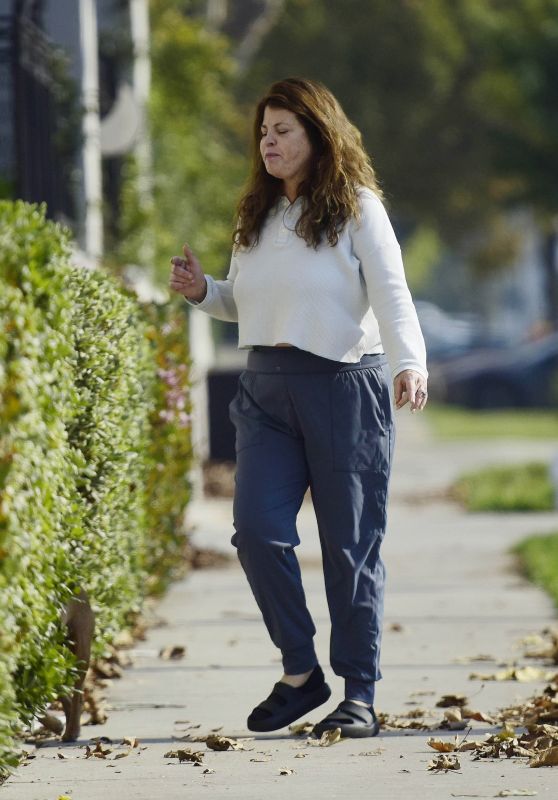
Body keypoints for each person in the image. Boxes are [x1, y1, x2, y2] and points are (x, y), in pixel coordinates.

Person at [169, 77, 428, 738]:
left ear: (318, 134)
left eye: (283, 130)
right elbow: (251, 303)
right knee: (257, 532)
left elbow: (392, 292)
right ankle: (300, 673)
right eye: (264, 131)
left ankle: (359, 693)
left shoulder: (356, 207)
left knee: (349, 547)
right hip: (266, 389)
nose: (269, 142)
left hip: (345, 388)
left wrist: (410, 363)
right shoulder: (257, 214)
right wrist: (205, 291)